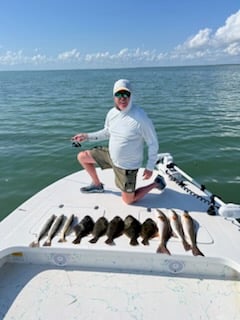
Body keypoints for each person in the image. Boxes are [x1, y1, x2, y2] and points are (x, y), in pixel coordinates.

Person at [72, 79, 166, 204]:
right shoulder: (111, 113)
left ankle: (156, 183)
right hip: (111, 156)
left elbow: (153, 143)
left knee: (128, 201)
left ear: (131, 96)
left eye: (126, 94)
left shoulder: (140, 118)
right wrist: (86, 136)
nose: (122, 98)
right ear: (114, 96)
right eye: (118, 94)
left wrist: (149, 166)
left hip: (127, 166)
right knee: (82, 157)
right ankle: (97, 185)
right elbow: (107, 132)